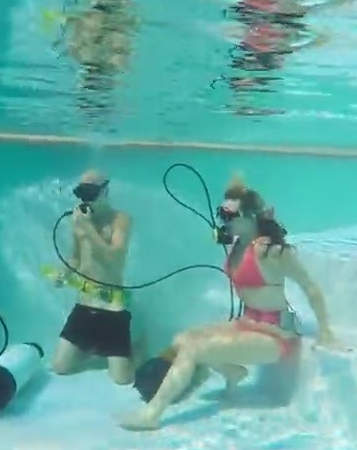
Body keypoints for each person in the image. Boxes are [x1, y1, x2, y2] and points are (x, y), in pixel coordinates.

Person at [119, 177, 337, 431]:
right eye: (222, 215)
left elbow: (310, 287)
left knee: (194, 350)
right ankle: (233, 372)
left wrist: (325, 330)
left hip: (275, 334)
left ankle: (152, 414)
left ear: (251, 217)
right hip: (248, 323)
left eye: (230, 216)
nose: (224, 221)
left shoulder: (271, 252)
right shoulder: (238, 246)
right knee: (182, 339)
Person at [49, 170, 137, 385]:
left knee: (122, 379)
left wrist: (87, 227)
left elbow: (114, 258)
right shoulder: (78, 221)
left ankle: (138, 348)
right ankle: (94, 348)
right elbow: (75, 257)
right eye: (81, 192)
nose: (85, 199)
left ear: (105, 191)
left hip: (112, 306)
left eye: (91, 192)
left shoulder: (121, 220)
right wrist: (63, 273)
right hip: (85, 303)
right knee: (59, 367)